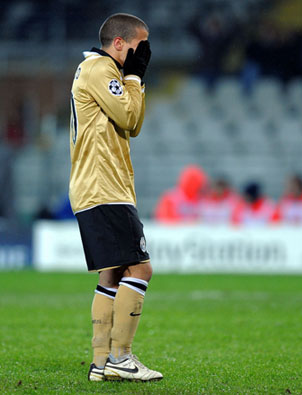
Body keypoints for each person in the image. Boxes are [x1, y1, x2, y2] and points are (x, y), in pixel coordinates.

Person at [69, 13, 162, 382]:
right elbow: (128, 115)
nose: (144, 56)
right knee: (140, 268)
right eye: (141, 47)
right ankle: (121, 358)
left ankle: (100, 360)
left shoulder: (107, 72)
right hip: (103, 185)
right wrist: (134, 77)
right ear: (120, 42)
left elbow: (133, 124)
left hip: (103, 185)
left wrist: (134, 78)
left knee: (114, 272)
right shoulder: (99, 68)